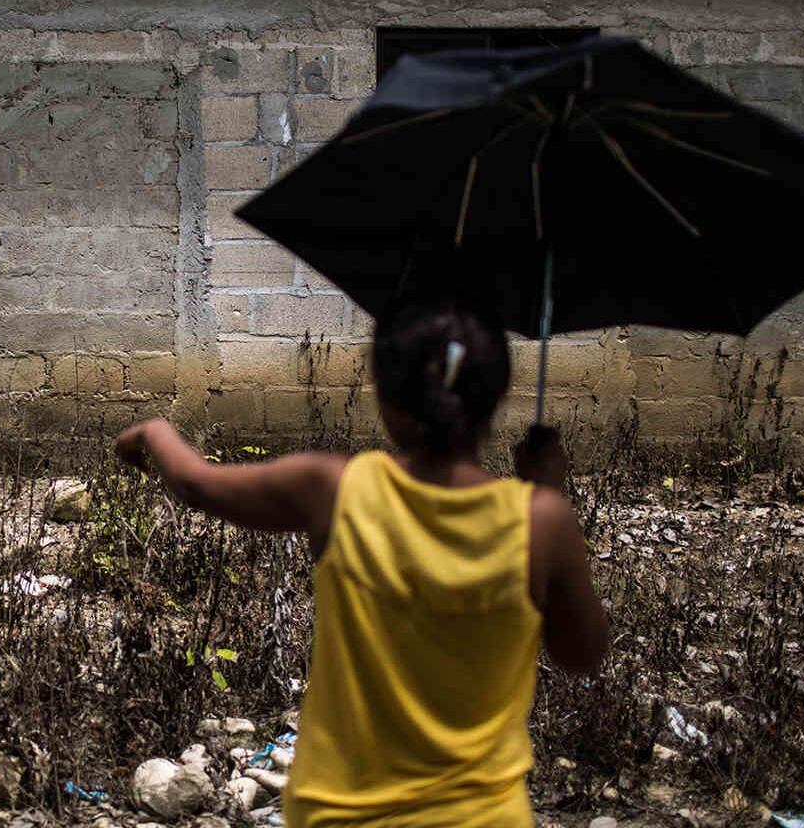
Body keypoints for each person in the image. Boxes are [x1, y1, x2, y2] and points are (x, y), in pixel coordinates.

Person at [114, 304, 609, 828]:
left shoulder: (335, 489)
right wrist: (548, 494)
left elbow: (195, 484)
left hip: (339, 813)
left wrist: (154, 431)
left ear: (387, 398)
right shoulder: (541, 523)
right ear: (497, 398)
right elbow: (581, 654)